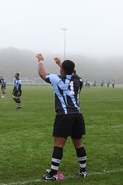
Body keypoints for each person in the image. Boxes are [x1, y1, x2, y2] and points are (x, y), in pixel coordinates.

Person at [36, 53, 87, 181]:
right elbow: (71, 73)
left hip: (64, 115)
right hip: (78, 115)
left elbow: (42, 74)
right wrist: (61, 64)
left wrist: (41, 61)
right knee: (79, 143)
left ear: (62, 70)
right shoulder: (79, 81)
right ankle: (83, 171)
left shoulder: (56, 79)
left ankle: (53, 174)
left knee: (59, 144)